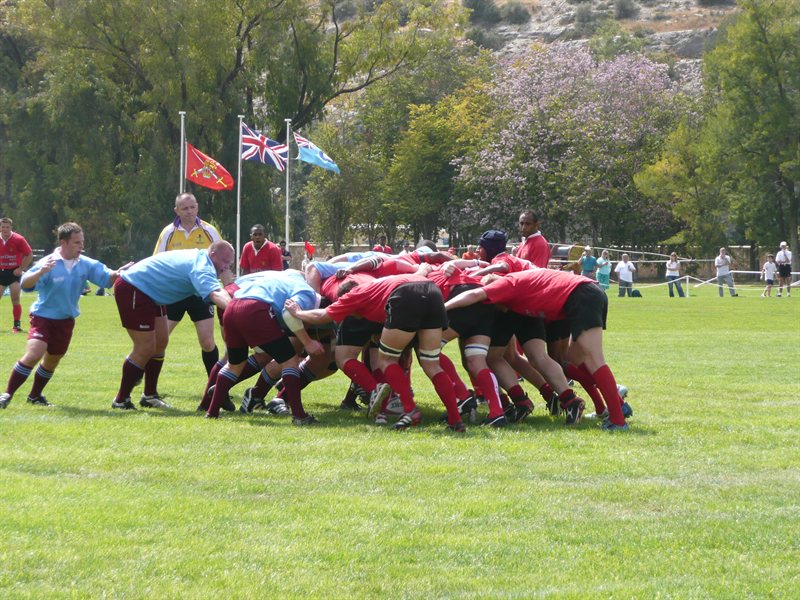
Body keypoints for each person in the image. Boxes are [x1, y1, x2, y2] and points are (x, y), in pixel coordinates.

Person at [444, 268, 629, 430]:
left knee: (594, 359)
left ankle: (618, 420)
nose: (494, 307)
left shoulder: (505, 284)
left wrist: (444, 307)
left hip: (581, 295)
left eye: (492, 302)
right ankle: (615, 405)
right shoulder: (516, 282)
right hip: (585, 293)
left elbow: (474, 295)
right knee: (574, 360)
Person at [285, 274, 467, 432]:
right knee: (431, 363)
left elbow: (322, 316)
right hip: (431, 291)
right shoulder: (374, 284)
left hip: (405, 295)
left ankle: (410, 410)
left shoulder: (353, 295)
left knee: (386, 359)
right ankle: (455, 420)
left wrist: (298, 312)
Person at [0, 223, 129, 409]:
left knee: (52, 360)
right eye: (76, 242)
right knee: (34, 353)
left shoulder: (85, 263)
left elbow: (105, 277)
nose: (81, 246)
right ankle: (6, 395)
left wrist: (118, 273)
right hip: (42, 318)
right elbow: (26, 284)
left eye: (82, 242)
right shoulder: (49, 262)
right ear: (63, 242)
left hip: (66, 321)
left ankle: (35, 396)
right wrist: (40, 273)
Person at [110, 241, 234, 410]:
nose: (226, 267)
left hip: (152, 293)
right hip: (134, 287)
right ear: (213, 255)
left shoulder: (203, 259)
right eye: (225, 261)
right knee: (145, 347)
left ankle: (149, 396)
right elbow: (215, 293)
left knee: (161, 342)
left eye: (230, 263)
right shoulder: (202, 265)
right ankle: (121, 399)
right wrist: (239, 310)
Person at [153, 193, 224, 397]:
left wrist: (225, 284)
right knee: (159, 341)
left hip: (200, 294)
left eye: (192, 207)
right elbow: (157, 262)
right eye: (184, 208)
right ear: (176, 210)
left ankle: (214, 388)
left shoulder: (209, 231)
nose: (189, 211)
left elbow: (223, 257)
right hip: (174, 294)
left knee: (207, 342)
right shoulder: (168, 233)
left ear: (197, 207)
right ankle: (150, 388)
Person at [0, 217, 34, 333]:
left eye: (7, 227)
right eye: (3, 227)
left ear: (11, 227)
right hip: (1, 272)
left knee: (15, 299)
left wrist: (21, 268)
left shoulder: (18, 239)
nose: (5, 229)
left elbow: (29, 255)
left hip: (14, 273)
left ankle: (17, 325)